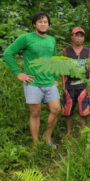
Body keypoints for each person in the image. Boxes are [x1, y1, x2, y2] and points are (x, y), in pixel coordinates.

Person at [3, 12, 60, 148]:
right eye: (40, 21)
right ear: (35, 24)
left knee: (56, 109)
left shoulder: (51, 40)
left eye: (45, 22)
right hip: (33, 83)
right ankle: (35, 143)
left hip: (49, 82)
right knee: (35, 112)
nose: (43, 24)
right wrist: (18, 73)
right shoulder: (26, 38)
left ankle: (47, 136)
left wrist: (56, 77)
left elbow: (54, 59)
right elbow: (8, 53)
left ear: (49, 24)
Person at [62, 27, 90, 137]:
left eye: (81, 36)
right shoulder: (66, 51)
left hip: (82, 83)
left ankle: (83, 131)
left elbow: (89, 67)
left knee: (83, 108)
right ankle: (68, 131)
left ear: (83, 38)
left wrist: (89, 82)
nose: (79, 38)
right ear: (72, 37)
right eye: (76, 35)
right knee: (68, 109)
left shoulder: (87, 51)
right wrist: (63, 84)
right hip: (70, 83)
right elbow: (64, 68)